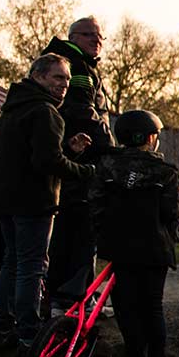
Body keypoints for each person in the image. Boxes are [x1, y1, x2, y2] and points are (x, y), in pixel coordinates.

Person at [0, 54, 93, 347]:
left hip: (4, 198)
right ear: (37, 76)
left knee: (12, 261)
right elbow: (46, 162)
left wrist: (67, 151)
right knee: (32, 266)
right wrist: (86, 171)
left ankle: (1, 322)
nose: (63, 85)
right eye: (57, 78)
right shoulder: (45, 112)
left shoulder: (12, 109)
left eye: (67, 80)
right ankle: (28, 332)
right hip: (33, 202)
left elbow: (31, 157)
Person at [92, 110, 179, 357]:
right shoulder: (166, 171)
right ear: (149, 138)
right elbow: (169, 213)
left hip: (121, 248)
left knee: (127, 309)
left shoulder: (107, 166)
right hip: (154, 249)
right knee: (152, 307)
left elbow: (96, 205)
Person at [43, 17, 112, 314]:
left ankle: (66, 296)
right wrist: (109, 148)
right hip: (82, 159)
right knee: (80, 230)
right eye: (89, 35)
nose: (96, 41)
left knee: (68, 232)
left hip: (72, 158)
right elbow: (84, 111)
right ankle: (74, 298)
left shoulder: (75, 63)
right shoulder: (77, 67)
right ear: (74, 36)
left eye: (100, 37)